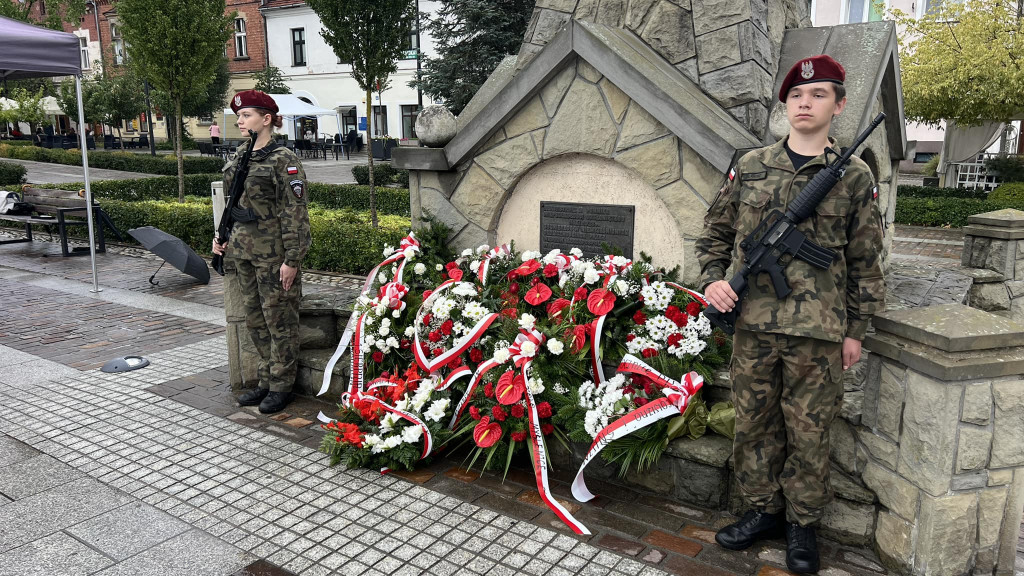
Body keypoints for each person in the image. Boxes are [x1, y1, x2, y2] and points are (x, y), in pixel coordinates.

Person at [695, 55, 885, 574]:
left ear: (839, 105)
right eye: (797, 95)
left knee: (810, 431)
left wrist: (856, 330)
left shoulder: (853, 176)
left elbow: (867, 259)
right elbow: (714, 234)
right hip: (752, 325)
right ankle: (763, 512)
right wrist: (714, 280)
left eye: (819, 94)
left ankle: (802, 525)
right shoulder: (751, 165)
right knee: (754, 424)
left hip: (818, 333)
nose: (805, 102)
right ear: (785, 104)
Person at [212, 90, 311, 414]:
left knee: (279, 320)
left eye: (247, 116)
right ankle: (266, 379)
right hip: (241, 252)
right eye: (239, 116)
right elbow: (234, 205)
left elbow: (294, 212)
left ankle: (282, 385)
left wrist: (292, 260)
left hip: (273, 255)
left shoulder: (283, 160)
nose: (240, 121)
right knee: (255, 320)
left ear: (266, 119)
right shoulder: (241, 155)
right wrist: (222, 238)